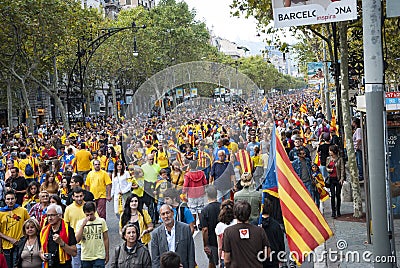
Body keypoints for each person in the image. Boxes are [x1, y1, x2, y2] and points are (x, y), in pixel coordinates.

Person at [223, 200, 270, 268]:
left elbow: (227, 259)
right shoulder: (259, 231)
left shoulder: (228, 232)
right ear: (249, 213)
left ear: (235, 214)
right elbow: (267, 254)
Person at [0, 190, 30, 268]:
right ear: (5, 200)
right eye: (8, 199)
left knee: (17, 265)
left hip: (19, 244)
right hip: (6, 245)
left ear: (15, 199)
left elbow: (29, 223)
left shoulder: (23, 210)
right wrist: (10, 239)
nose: (10, 201)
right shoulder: (1, 213)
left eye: (12, 199)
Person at [76, 202, 109, 267]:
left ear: (95, 211)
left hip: (99, 256)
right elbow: (77, 240)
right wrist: (82, 226)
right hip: (86, 257)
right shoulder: (80, 223)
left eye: (91, 214)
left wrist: (107, 254)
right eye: (87, 215)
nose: (89, 217)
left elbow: (106, 238)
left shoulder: (101, 221)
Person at [64, 187, 90, 268]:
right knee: (76, 265)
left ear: (84, 196)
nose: (79, 198)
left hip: (88, 241)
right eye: (77, 196)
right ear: (73, 197)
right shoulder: (68, 209)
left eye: (81, 196)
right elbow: (66, 225)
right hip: (75, 242)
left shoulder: (88, 206)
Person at [259, 200, 285, 268]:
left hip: (259, 258)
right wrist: (281, 258)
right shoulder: (276, 225)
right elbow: (281, 243)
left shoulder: (255, 224)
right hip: (273, 259)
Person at [200, 186, 220, 268]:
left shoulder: (205, 210)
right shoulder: (223, 207)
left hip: (212, 240)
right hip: (223, 238)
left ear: (206, 195)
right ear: (217, 194)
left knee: (212, 261)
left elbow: (205, 229)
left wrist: (205, 244)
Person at [183, 160, 207, 225]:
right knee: (200, 209)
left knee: (192, 210)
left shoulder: (187, 175)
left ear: (190, 166)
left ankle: (194, 225)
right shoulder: (201, 173)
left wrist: (183, 192)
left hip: (191, 195)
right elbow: (205, 183)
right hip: (201, 194)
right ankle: (201, 224)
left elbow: (185, 185)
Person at [326, 145, 346, 218]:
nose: (329, 152)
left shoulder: (340, 159)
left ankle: (338, 210)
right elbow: (326, 167)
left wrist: (342, 178)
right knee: (333, 195)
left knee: (338, 194)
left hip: (337, 179)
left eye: (330, 150)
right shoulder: (328, 159)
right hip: (331, 179)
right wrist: (328, 170)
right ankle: (333, 211)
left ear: (334, 151)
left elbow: (342, 169)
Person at [215, 200, 235, 268]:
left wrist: (220, 260)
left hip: (225, 256)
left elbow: (220, 247)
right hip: (237, 255)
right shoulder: (237, 223)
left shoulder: (219, 226)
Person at [141, 154, 161, 223]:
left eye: (152, 159)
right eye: (150, 159)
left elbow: (160, 176)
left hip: (156, 186)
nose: (151, 160)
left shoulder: (157, 166)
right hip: (147, 186)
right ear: (147, 159)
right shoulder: (143, 167)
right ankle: (152, 220)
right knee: (150, 205)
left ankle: (157, 218)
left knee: (156, 204)